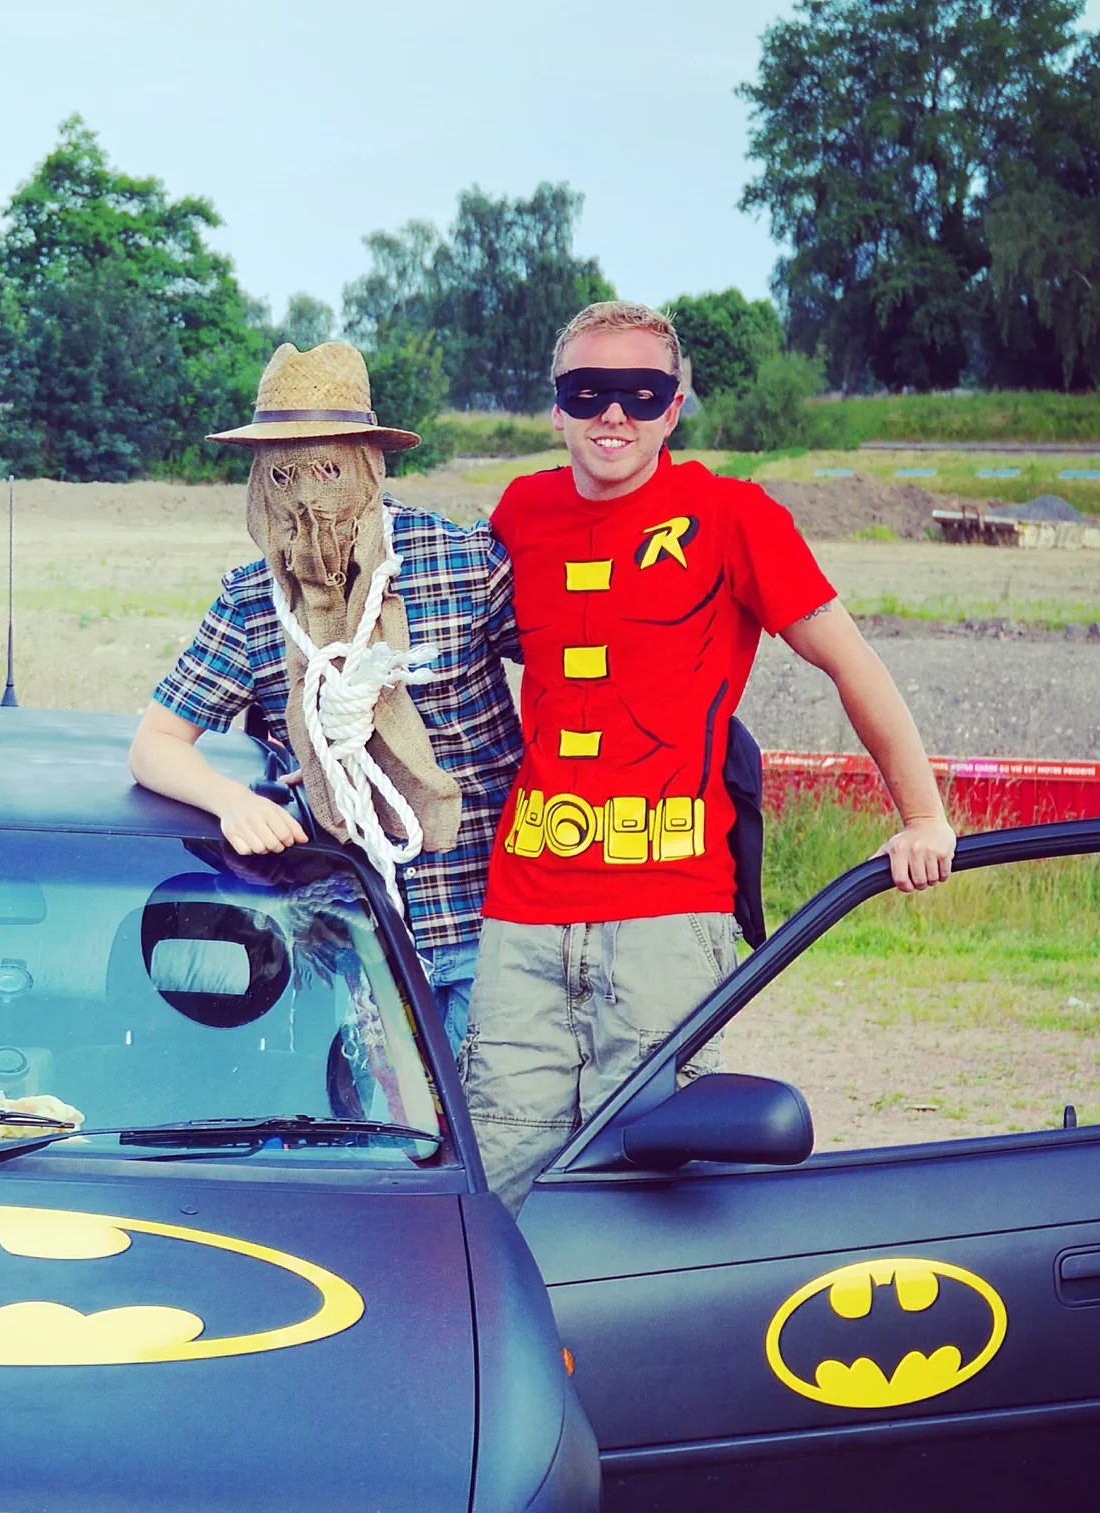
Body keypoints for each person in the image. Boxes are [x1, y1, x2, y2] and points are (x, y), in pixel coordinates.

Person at [462, 299, 956, 1212]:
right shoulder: (521, 512)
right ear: (557, 406)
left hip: (667, 920)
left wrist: (922, 815)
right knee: (501, 1187)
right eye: (590, 390)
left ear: (675, 406)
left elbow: (851, 662)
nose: (615, 414)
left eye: (641, 393)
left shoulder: (732, 516)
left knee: (657, 1193)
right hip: (522, 918)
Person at [128, 341, 521, 1052]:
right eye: (284, 473)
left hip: (488, 931)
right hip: (354, 948)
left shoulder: (462, 562)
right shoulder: (256, 603)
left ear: (371, 462)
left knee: (495, 1144)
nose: (308, 495)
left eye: (330, 467)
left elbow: (580, 682)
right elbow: (154, 745)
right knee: (375, 1147)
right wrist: (235, 804)